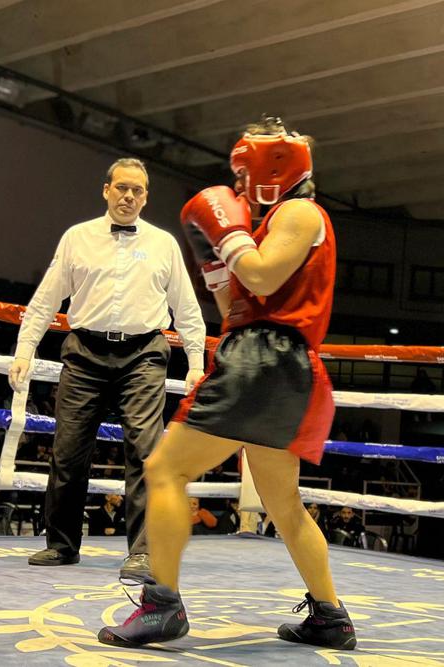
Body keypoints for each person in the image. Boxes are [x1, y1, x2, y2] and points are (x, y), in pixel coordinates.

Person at [99, 117, 356, 651]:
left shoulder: (300, 212)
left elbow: (261, 277)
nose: (237, 184)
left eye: (244, 172)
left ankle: (162, 604)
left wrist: (229, 234)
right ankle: (330, 616)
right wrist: (215, 258)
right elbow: (234, 306)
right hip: (279, 366)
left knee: (164, 470)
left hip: (262, 362)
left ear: (271, 167)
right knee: (282, 501)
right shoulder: (264, 223)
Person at [9, 157, 206, 581]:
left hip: (144, 354)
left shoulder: (164, 243)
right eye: (122, 188)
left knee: (146, 451)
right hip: (85, 352)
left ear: (146, 196)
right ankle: (61, 544)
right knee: (68, 449)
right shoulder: (77, 238)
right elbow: (46, 299)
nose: (128, 196)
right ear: (106, 190)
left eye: (137, 190)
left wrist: (196, 363)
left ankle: (142, 551)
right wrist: (24, 348)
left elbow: (186, 308)